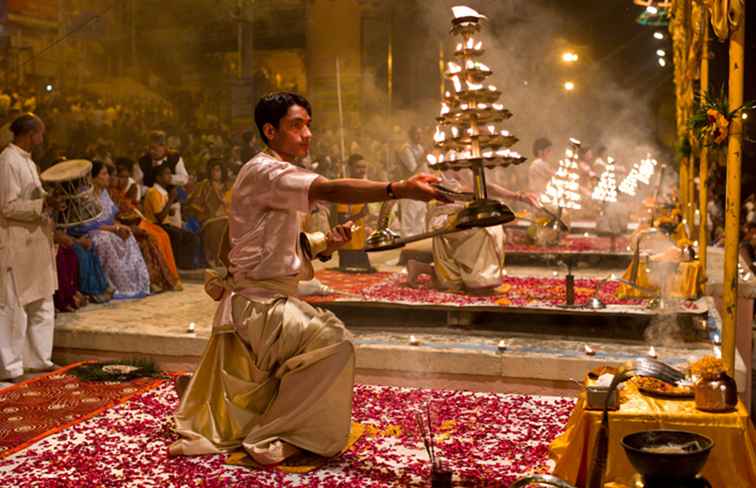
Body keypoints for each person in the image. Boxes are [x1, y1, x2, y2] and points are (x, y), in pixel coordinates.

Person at [169, 92, 445, 465]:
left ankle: (241, 407)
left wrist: (324, 242)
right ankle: (280, 432)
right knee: (334, 343)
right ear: (270, 130)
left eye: (309, 125)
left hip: (266, 300)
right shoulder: (266, 170)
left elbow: (269, 245)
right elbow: (328, 189)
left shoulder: (272, 170)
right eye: (296, 125)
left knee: (321, 336)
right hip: (259, 307)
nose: (307, 134)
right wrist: (398, 189)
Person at [407, 170, 539, 291]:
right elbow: (470, 188)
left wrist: (519, 197)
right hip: (446, 215)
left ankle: (423, 268)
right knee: (483, 233)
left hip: (466, 214)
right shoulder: (451, 161)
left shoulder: (469, 160)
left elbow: (485, 187)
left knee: (492, 229)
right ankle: (478, 281)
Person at [0, 114, 58, 383]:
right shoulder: (8, 160)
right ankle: (10, 367)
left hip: (35, 242)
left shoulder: (28, 161)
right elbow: (7, 206)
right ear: (30, 133)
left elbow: (34, 200)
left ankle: (38, 360)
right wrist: (41, 206)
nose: (43, 139)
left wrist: (49, 203)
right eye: (41, 133)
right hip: (16, 243)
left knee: (42, 301)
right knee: (14, 307)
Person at [68, 161, 150, 300]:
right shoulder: (84, 194)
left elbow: (110, 218)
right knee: (104, 240)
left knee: (127, 235)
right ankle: (111, 285)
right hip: (87, 231)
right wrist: (115, 228)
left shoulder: (104, 193)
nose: (108, 177)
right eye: (104, 174)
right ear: (92, 177)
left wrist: (120, 227)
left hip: (106, 229)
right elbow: (88, 224)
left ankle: (134, 284)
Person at [111, 162, 182, 293]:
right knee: (154, 237)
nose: (122, 180)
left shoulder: (125, 191)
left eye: (126, 177)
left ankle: (170, 277)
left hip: (137, 221)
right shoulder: (112, 194)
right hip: (124, 225)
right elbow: (118, 214)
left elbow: (134, 209)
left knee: (163, 235)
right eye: (119, 176)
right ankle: (156, 280)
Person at [143, 164, 203, 270]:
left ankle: (185, 265)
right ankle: (174, 266)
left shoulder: (163, 192)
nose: (170, 176)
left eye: (170, 173)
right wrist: (171, 199)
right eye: (167, 174)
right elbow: (159, 218)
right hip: (154, 225)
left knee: (192, 237)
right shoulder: (153, 192)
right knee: (177, 235)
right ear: (158, 177)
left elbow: (165, 213)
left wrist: (170, 208)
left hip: (164, 224)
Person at [335, 154, 375, 272]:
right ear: (350, 168)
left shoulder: (363, 185)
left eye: (364, 167)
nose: (362, 170)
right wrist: (360, 215)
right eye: (358, 167)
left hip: (360, 242)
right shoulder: (345, 187)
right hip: (348, 246)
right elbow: (341, 219)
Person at [397, 126, 428, 238]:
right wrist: (424, 156)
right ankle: (409, 245)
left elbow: (424, 169)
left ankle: (419, 243)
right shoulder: (406, 149)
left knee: (420, 218)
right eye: (417, 134)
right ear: (410, 135)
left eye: (421, 133)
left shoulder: (420, 147)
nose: (420, 136)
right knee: (409, 219)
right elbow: (413, 168)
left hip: (421, 186)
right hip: (409, 188)